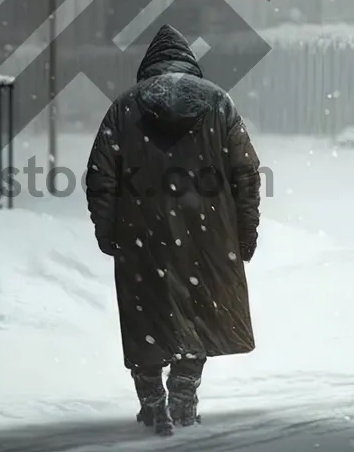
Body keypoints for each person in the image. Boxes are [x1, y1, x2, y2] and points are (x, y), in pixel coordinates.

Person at [85, 24, 262, 436]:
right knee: (198, 311)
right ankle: (184, 393)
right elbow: (247, 175)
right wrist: (244, 232)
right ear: (190, 65)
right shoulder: (219, 103)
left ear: (149, 68)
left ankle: (152, 405)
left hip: (141, 232)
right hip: (209, 235)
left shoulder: (125, 107)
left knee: (145, 315)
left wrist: (108, 230)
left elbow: (100, 176)